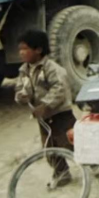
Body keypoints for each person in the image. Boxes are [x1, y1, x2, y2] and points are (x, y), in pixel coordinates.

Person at [14, 30, 76, 188]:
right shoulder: (24, 70)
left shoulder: (51, 68)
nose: (21, 53)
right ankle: (61, 173)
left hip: (60, 113)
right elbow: (20, 88)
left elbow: (59, 88)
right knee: (50, 146)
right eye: (20, 49)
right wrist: (21, 96)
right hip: (44, 118)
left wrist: (46, 105)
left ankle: (95, 164)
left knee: (71, 141)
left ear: (38, 50)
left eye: (25, 49)